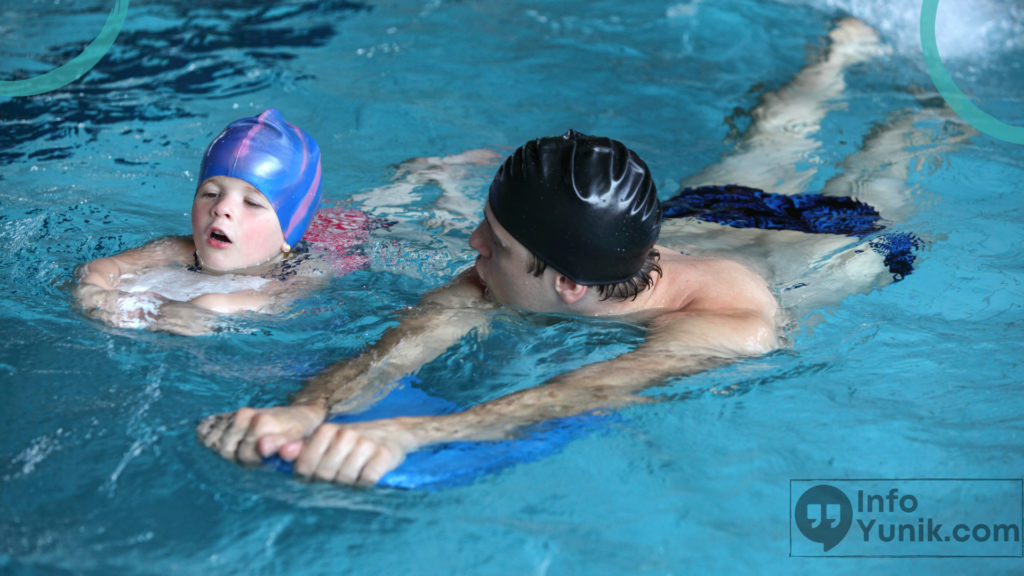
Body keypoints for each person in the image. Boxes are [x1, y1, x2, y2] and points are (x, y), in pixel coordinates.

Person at [197, 18, 974, 486]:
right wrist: (307, 406)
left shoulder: (728, 329)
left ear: (567, 283)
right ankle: (838, 56)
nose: (472, 248)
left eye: (493, 242)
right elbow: (395, 350)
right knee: (771, 136)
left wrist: (413, 433)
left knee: (893, 156)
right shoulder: (519, 269)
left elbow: (579, 392)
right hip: (703, 217)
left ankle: (943, 100)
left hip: (832, 237)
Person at [73, 108, 325, 335]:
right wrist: (94, 287)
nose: (221, 208)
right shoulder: (179, 248)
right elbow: (105, 266)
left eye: (251, 203)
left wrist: (209, 306)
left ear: (288, 233)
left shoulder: (304, 272)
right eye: (211, 194)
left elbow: (268, 302)